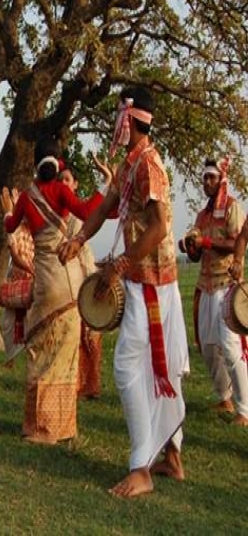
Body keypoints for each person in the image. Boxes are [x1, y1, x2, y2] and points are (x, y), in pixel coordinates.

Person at [59, 86, 188, 498]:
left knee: (129, 368)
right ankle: (171, 456)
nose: (115, 125)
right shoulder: (130, 165)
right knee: (158, 370)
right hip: (142, 280)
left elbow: (160, 226)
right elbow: (103, 208)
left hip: (150, 285)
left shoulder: (149, 165)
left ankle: (141, 468)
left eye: (119, 117)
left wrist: (120, 264)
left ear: (131, 120)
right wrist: (79, 239)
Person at [1, 137, 105, 445]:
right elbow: (87, 212)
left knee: (39, 352)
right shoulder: (61, 191)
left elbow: (10, 227)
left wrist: (7, 212)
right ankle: (58, 427)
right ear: (58, 166)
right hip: (67, 282)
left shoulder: (27, 197)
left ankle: (35, 425)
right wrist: (104, 186)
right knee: (64, 357)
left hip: (44, 282)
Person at [181, 159, 247, 425]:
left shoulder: (232, 207)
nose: (206, 182)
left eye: (211, 178)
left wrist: (206, 241)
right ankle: (224, 396)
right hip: (205, 285)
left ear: (221, 179)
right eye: (204, 178)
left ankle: (245, 410)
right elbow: (198, 255)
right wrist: (191, 247)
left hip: (226, 284)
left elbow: (235, 242)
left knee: (231, 347)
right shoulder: (202, 215)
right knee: (207, 347)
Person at [58, 160, 112, 399]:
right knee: (74, 336)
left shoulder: (78, 212)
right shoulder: (56, 212)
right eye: (60, 181)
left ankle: (91, 385)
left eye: (67, 180)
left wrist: (107, 180)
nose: (63, 184)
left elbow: (97, 210)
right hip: (65, 282)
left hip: (83, 278)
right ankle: (78, 384)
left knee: (89, 336)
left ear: (76, 184)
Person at [0, 217, 34, 364]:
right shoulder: (16, 230)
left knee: (31, 321)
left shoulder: (39, 232)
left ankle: (31, 356)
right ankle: (10, 358)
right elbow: (14, 254)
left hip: (32, 283)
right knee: (7, 323)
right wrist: (28, 268)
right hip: (15, 281)